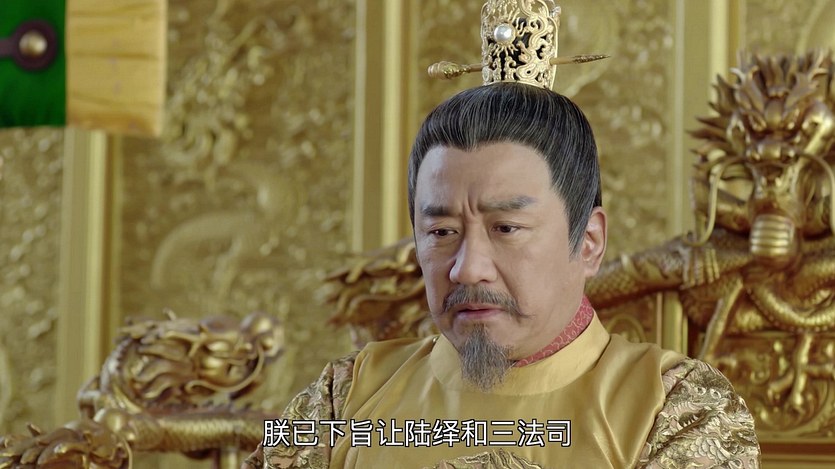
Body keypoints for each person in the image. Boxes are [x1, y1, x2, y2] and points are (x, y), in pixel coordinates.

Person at [244, 2, 761, 468]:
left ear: (588, 242)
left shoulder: (675, 410)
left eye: (506, 228)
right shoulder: (346, 398)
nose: (467, 268)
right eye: (441, 231)